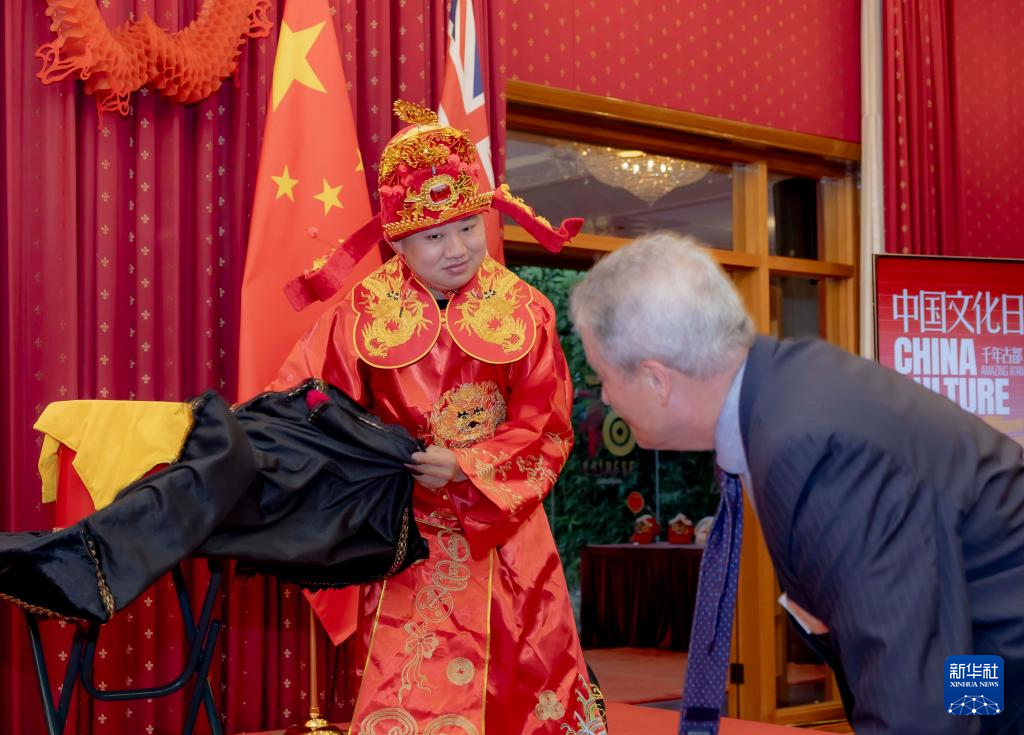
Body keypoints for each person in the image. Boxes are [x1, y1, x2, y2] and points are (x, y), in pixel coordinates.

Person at [568, 231, 1024, 735]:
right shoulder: (786, 392)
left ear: (657, 379)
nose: (604, 398)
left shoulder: (812, 448)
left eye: (603, 377)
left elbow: (913, 702)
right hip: (982, 660)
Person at [273, 100, 605, 734]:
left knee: (525, 687)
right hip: (407, 538)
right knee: (408, 685)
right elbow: (302, 403)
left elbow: (548, 426)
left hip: (506, 534)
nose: (457, 250)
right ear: (397, 240)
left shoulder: (525, 310)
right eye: (434, 236)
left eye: (469, 228)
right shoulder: (360, 314)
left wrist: (468, 465)